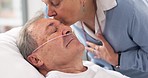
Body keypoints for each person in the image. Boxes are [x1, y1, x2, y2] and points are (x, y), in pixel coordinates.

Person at [41, 0, 148, 77]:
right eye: (46, 4)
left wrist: (118, 59)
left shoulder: (130, 9)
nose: (49, 13)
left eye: (55, 3)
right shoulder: (55, 19)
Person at [17, 11, 128, 78]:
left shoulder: (91, 67)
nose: (67, 29)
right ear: (36, 60)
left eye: (63, 25)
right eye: (54, 30)